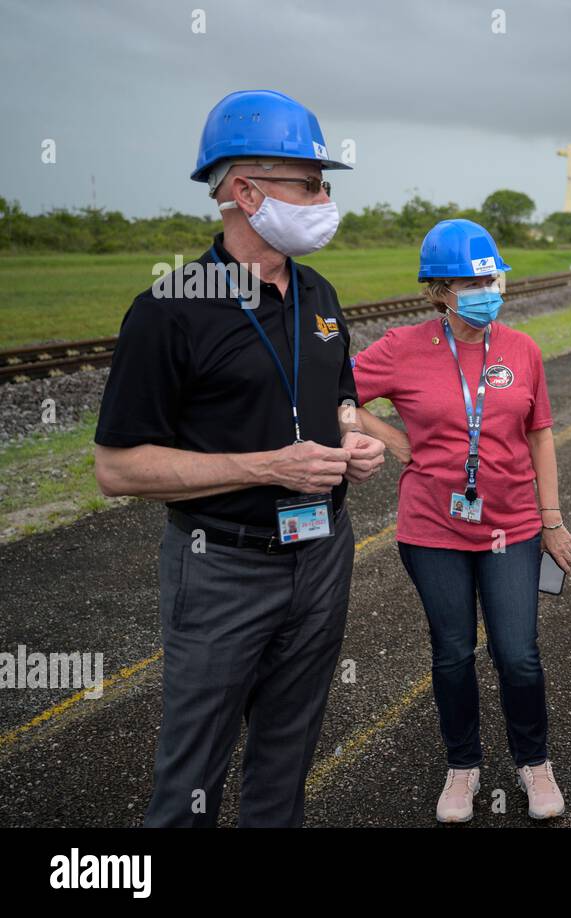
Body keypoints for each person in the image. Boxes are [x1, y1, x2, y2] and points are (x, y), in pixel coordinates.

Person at [93, 90, 386, 827]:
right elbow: (117, 468)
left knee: (287, 758)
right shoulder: (169, 308)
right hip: (221, 564)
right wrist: (267, 467)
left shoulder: (318, 292)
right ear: (244, 191)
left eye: (325, 183)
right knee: (193, 771)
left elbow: (339, 388)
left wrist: (351, 432)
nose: (324, 198)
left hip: (321, 552)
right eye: (308, 183)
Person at [347, 219, 571, 823]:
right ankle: (463, 767)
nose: (485, 288)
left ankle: (534, 762)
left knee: (518, 653)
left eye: (491, 277)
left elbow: (541, 433)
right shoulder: (401, 347)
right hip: (432, 532)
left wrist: (551, 518)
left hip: (515, 528)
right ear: (438, 290)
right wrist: (389, 436)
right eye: (469, 281)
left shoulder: (522, 349)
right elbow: (332, 390)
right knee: (452, 653)